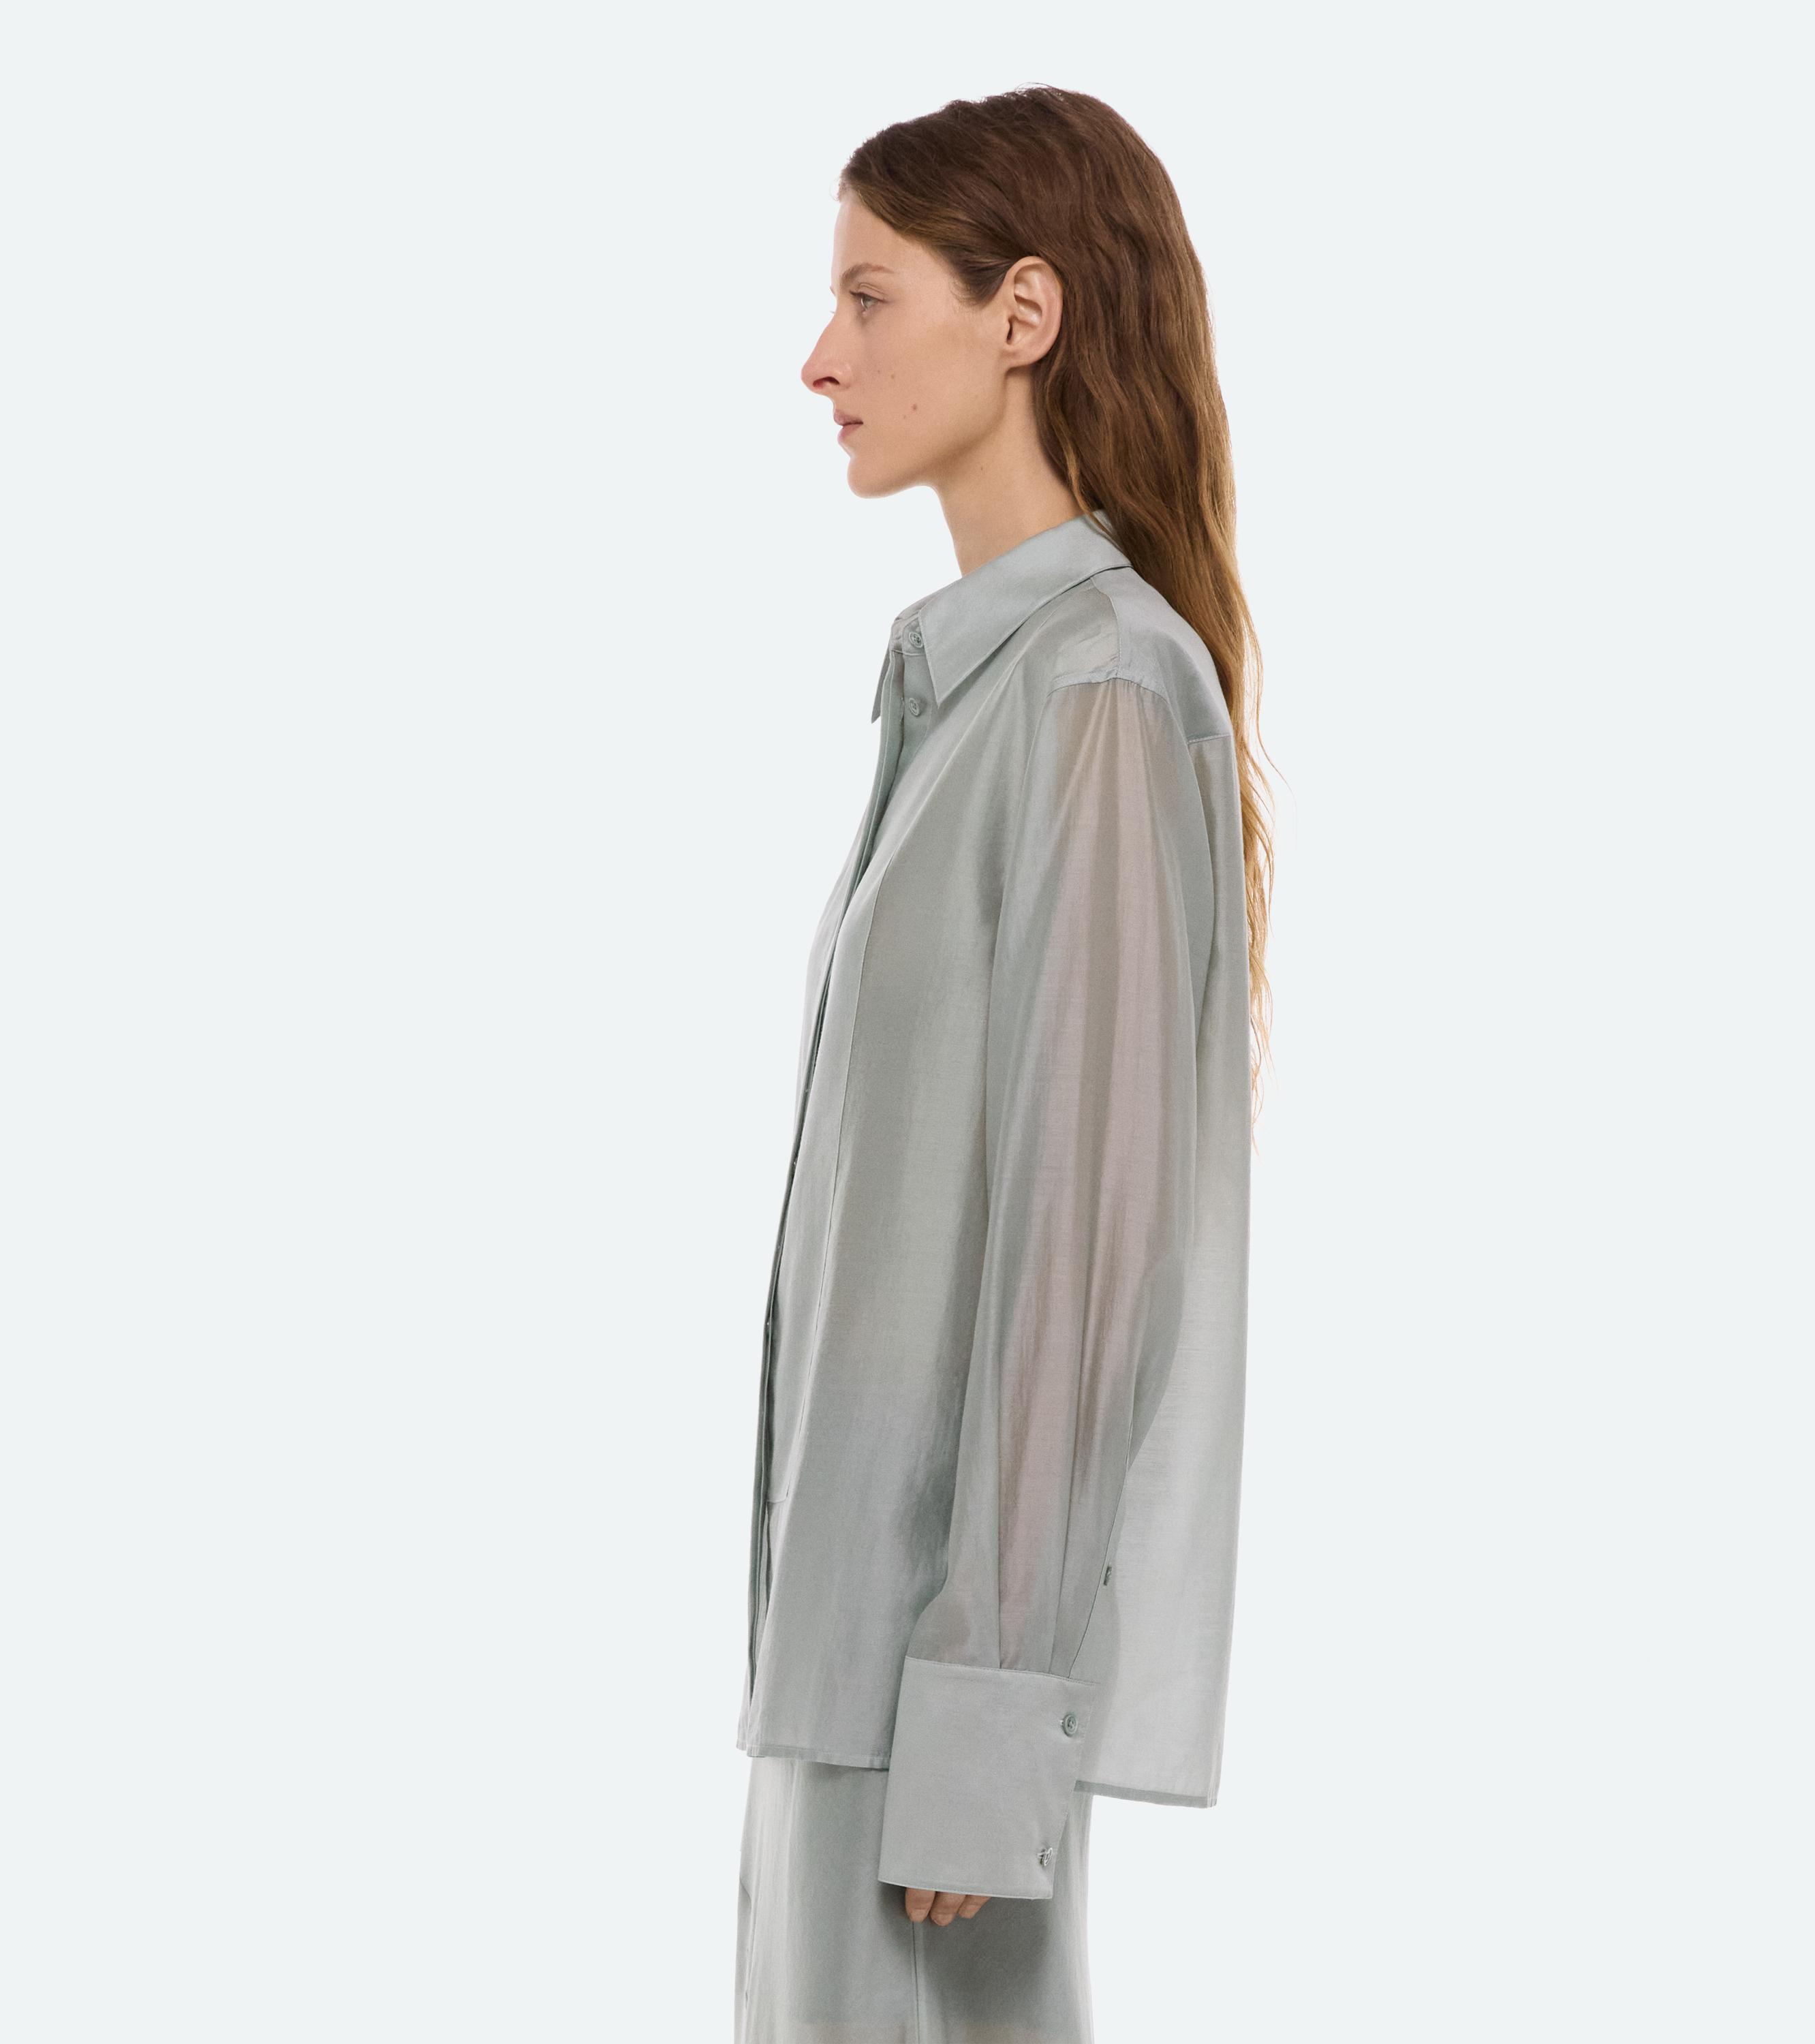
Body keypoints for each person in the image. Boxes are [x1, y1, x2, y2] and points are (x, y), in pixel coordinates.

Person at [734, 84, 1273, 2042]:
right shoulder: (972, 688)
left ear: (1022, 314)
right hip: (843, 1677)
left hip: (922, 1714)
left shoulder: (1100, 693)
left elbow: (1084, 1248)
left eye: (870, 298)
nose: (821, 358)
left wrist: (984, 1706)